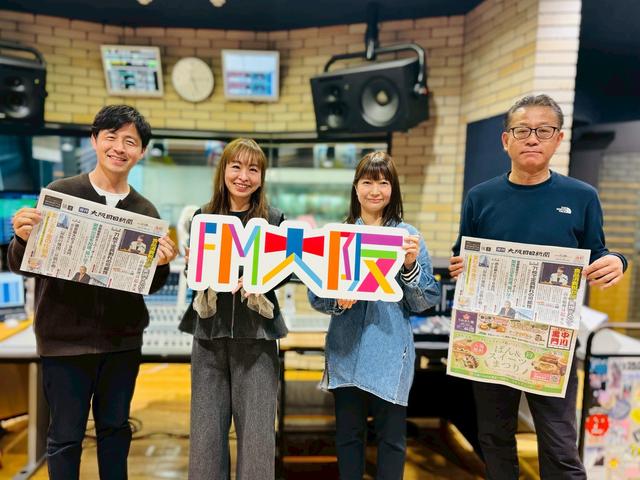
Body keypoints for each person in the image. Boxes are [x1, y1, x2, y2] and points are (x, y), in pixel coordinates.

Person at [449, 94, 627, 480]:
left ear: (558, 138)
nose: (532, 138)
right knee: (494, 437)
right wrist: (459, 265)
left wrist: (617, 261)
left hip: (552, 343)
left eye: (543, 130)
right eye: (522, 130)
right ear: (505, 140)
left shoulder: (581, 196)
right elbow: (462, 253)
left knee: (559, 443)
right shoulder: (480, 197)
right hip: (491, 340)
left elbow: (599, 252)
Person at [8, 105, 178, 480]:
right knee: (65, 438)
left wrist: (161, 263)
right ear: (94, 141)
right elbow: (22, 264)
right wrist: (20, 238)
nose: (119, 147)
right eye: (111, 137)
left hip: (122, 344)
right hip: (64, 343)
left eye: (130, 141)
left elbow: (148, 286)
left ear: (141, 151)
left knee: (115, 432)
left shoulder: (145, 211)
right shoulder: (60, 194)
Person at [308, 151, 440, 480]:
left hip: (391, 351)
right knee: (348, 437)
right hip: (346, 349)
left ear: (393, 189)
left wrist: (410, 266)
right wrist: (338, 300)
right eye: (367, 182)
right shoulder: (338, 235)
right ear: (356, 188)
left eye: (383, 182)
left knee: (392, 439)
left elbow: (425, 301)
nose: (375, 190)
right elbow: (316, 295)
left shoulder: (408, 237)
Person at [178, 138, 288, 480]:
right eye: (236, 166)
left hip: (257, 338)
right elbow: (195, 275)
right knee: (206, 436)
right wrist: (192, 264)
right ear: (223, 170)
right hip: (209, 335)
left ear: (261, 177)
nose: (243, 176)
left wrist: (264, 278)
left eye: (253, 169)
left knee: (257, 437)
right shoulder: (203, 216)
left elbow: (286, 272)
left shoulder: (273, 219)